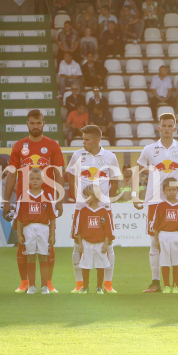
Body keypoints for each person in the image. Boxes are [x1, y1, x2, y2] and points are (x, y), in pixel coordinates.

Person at [3, 109, 65, 293]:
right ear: (27, 124)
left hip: (46, 199)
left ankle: (48, 283)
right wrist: (6, 200)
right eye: (32, 123)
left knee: (48, 243)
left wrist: (59, 199)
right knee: (22, 241)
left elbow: (59, 173)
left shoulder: (53, 145)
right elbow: (11, 175)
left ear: (44, 123)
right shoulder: (19, 146)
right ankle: (25, 282)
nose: (35, 126)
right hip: (25, 200)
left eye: (38, 123)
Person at [133, 113, 178, 293]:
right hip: (155, 201)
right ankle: (155, 282)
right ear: (159, 128)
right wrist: (135, 196)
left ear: (174, 128)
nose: (167, 129)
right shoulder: (149, 149)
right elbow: (137, 172)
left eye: (170, 126)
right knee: (154, 241)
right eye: (164, 126)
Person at [65, 125, 120, 294]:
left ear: (97, 140)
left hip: (103, 208)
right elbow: (71, 177)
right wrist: (78, 199)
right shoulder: (77, 155)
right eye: (83, 139)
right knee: (78, 245)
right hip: (82, 208)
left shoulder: (110, 157)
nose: (84, 142)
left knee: (107, 245)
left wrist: (104, 199)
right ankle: (80, 284)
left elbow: (115, 181)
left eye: (87, 139)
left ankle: (107, 284)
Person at [14, 168, 57, 294]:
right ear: (28, 180)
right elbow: (19, 218)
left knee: (43, 257)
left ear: (42, 180)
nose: (35, 181)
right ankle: (31, 285)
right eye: (32, 179)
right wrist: (19, 234)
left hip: (43, 228)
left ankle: (44, 286)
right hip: (29, 229)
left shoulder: (47, 196)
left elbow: (53, 217)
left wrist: (52, 234)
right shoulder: (23, 196)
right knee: (31, 256)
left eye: (38, 178)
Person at [72, 184, 115, 294]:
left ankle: (99, 287)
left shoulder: (103, 211)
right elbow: (80, 229)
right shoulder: (83, 211)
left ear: (96, 196)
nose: (85, 197)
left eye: (88, 195)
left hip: (100, 243)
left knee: (100, 265)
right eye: (84, 195)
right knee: (85, 265)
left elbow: (107, 230)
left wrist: (106, 244)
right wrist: (80, 243)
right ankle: (85, 287)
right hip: (87, 242)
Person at [150, 177, 178, 294]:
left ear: (177, 190)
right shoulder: (161, 206)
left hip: (177, 235)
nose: (171, 192)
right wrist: (156, 239)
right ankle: (167, 285)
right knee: (164, 261)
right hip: (163, 235)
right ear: (164, 191)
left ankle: (175, 285)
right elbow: (156, 225)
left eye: (174, 189)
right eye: (168, 189)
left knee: (177, 261)